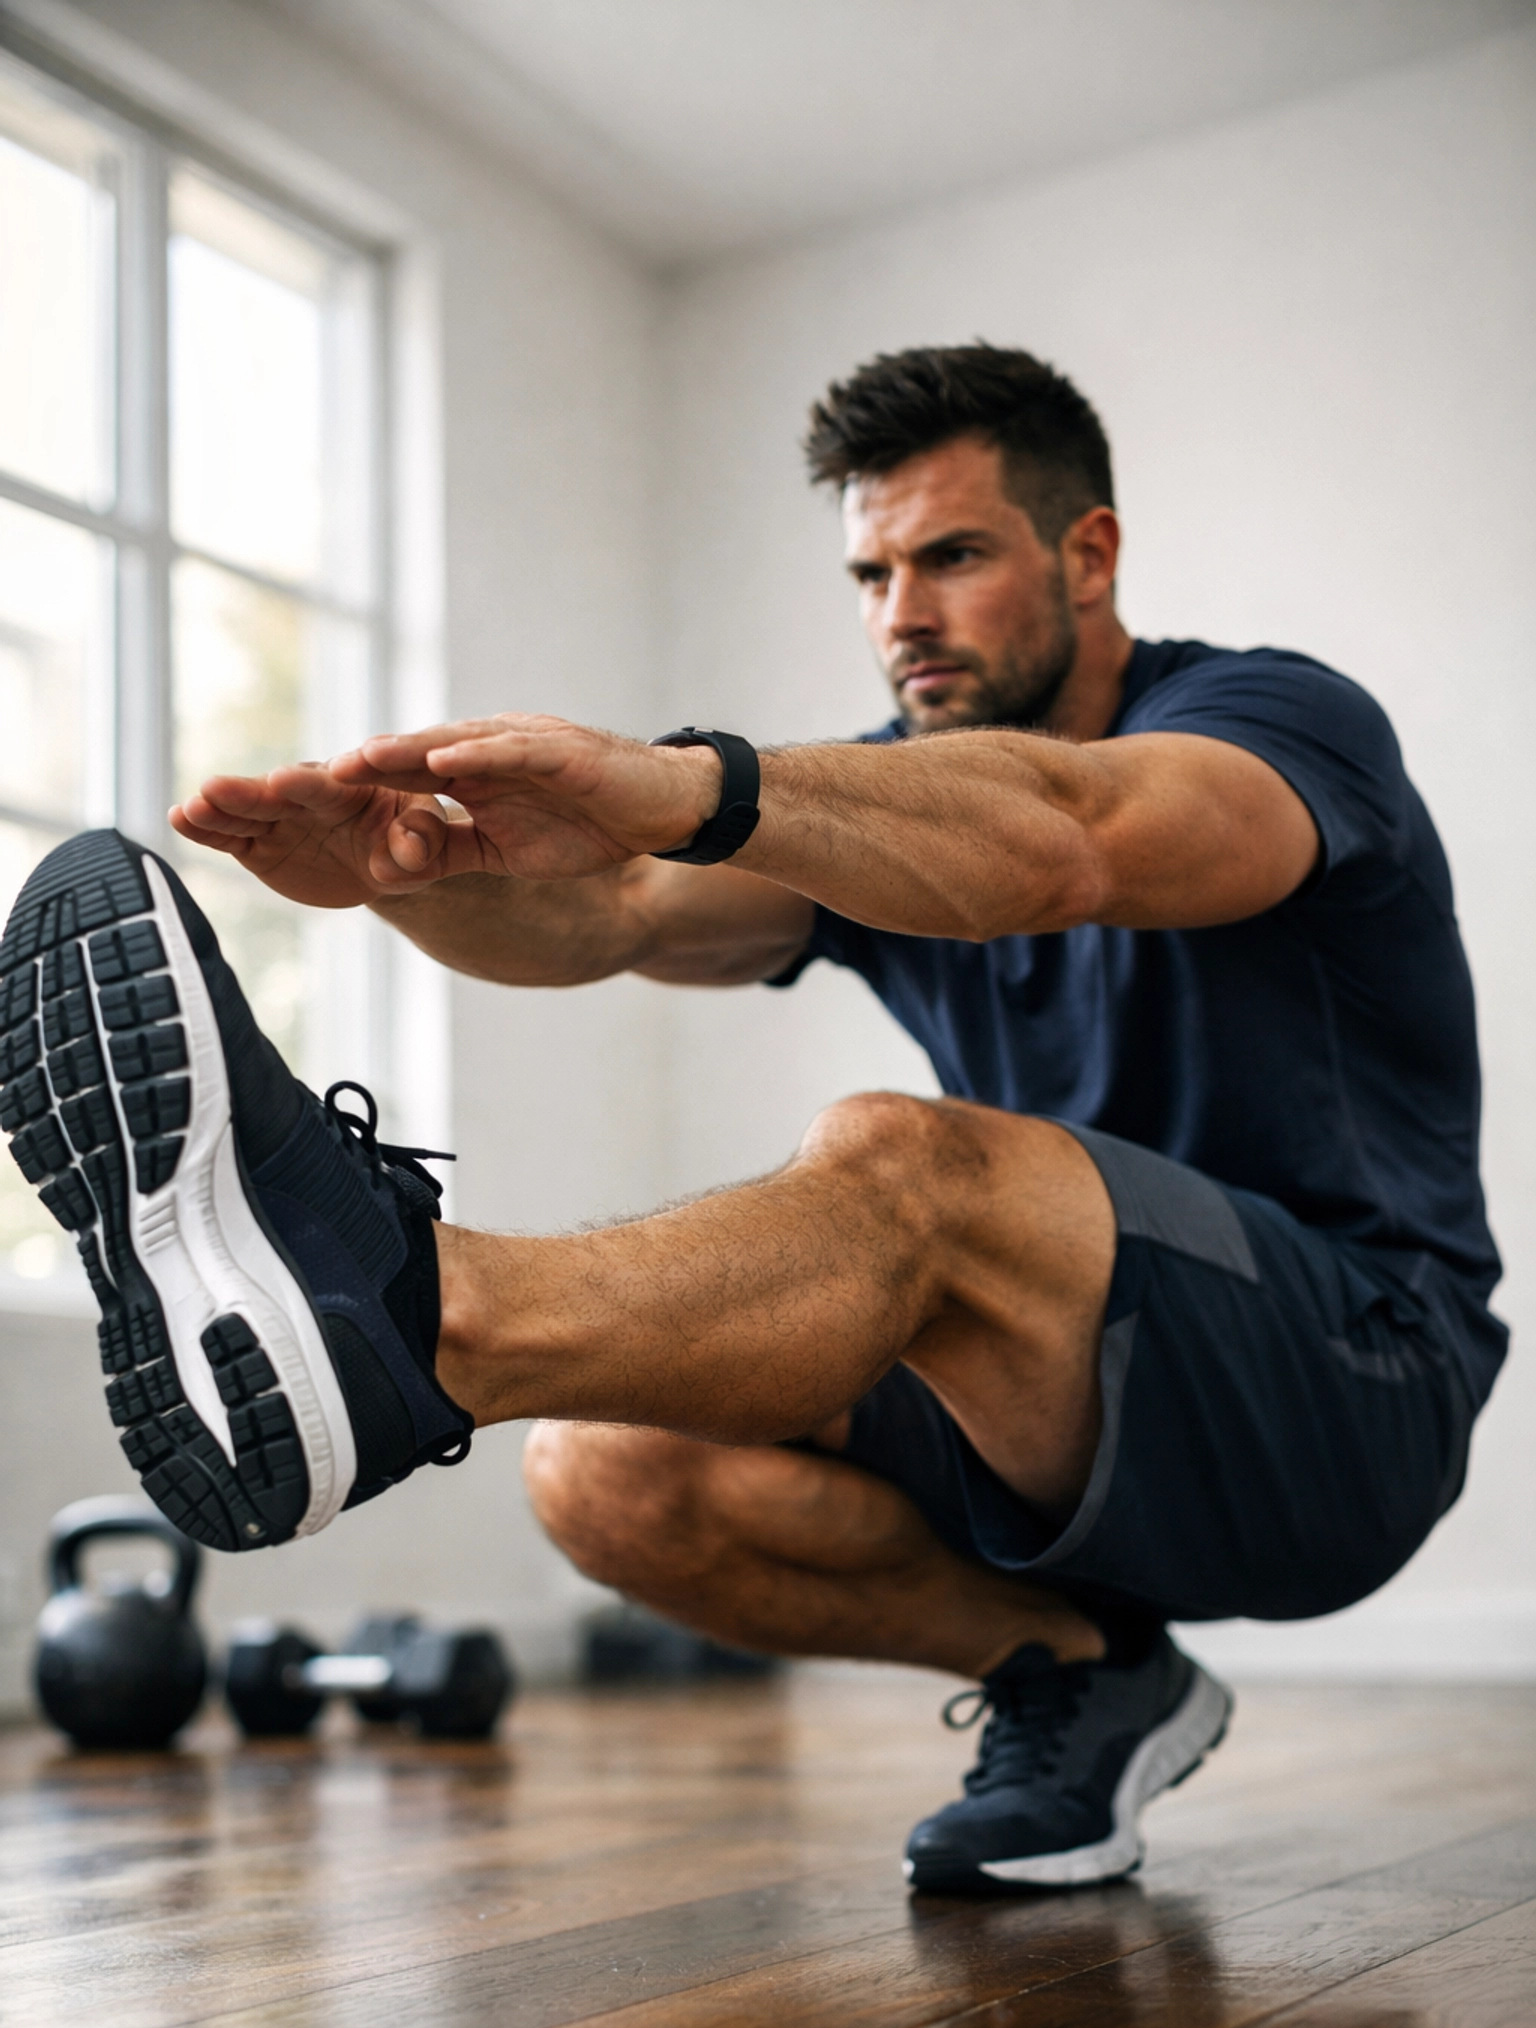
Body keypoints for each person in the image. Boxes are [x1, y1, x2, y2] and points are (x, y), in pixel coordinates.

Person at [0, 345, 1504, 1894]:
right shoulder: (884, 800)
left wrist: (697, 783)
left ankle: (413, 1314)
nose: (902, 613)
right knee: (601, 1467)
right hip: (1056, 1406)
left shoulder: (1277, 723)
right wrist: (412, 881)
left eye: (952, 558)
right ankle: (1083, 1673)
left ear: (1089, 554)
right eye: (870, 573)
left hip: (1352, 1393)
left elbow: (1075, 834)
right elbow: (618, 913)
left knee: (911, 1164)